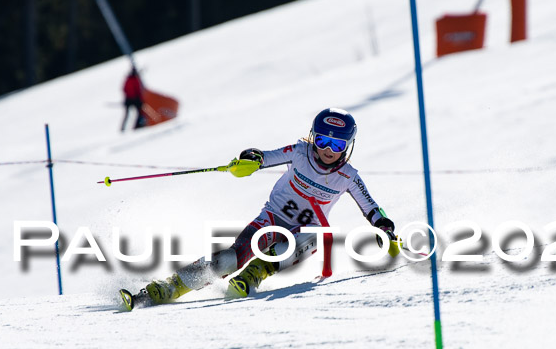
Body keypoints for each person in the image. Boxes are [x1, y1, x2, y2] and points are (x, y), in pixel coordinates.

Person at [120, 108, 397, 309]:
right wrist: (251, 158)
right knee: (230, 258)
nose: (327, 150)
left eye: (337, 144)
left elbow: (371, 207)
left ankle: (252, 277)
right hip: (272, 218)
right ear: (313, 137)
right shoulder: (300, 152)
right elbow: (267, 157)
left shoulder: (348, 176)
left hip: (306, 231)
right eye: (322, 140)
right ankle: (168, 286)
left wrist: (384, 227)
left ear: (347, 147)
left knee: (309, 237)